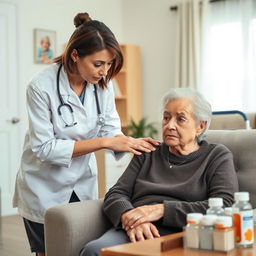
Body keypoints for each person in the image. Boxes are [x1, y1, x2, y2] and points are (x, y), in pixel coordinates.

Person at [13, 12, 160, 256]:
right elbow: (44, 148)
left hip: (81, 182)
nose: (105, 72)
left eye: (110, 64)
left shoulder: (103, 84)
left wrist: (130, 142)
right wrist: (103, 142)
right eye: (98, 64)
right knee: (49, 251)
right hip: (44, 185)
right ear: (75, 56)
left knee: (79, 247)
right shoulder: (40, 86)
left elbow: (111, 129)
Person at [80, 88, 239, 256]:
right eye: (166, 118)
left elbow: (225, 204)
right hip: (135, 228)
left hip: (184, 232)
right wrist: (129, 218)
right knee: (94, 251)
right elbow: (116, 193)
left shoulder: (216, 156)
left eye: (180, 119)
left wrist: (161, 210)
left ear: (200, 126)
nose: (170, 125)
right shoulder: (148, 152)